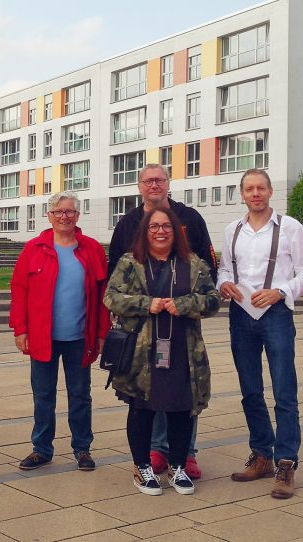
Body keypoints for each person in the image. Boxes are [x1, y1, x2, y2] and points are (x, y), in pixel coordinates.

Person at [108, 163, 216, 479]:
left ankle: (187, 454)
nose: (154, 185)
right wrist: (140, 306)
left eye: (160, 180)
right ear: (139, 186)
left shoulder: (191, 219)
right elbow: (115, 275)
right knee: (149, 389)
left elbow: (208, 270)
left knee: (184, 390)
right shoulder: (127, 223)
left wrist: (185, 303)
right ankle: (156, 451)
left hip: (181, 328)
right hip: (142, 331)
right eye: (148, 180)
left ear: (168, 184)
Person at [217, 168, 303, 499]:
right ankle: (261, 454)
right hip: (241, 314)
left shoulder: (290, 228)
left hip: (276, 313)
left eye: (261, 188)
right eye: (249, 189)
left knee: (284, 391)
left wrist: (280, 291)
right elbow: (224, 270)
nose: (255, 193)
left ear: (270, 191)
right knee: (250, 390)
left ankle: (285, 462)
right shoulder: (232, 229)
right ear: (242, 194)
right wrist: (224, 284)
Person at [9, 192, 110, 471]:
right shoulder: (34, 248)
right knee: (43, 395)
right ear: (49, 215)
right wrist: (20, 329)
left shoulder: (91, 249)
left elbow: (103, 296)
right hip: (43, 338)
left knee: (80, 394)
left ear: (78, 215)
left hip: (80, 337)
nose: (64, 216)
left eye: (69, 212)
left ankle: (82, 448)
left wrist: (102, 333)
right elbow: (19, 291)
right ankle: (41, 449)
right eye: (58, 212)